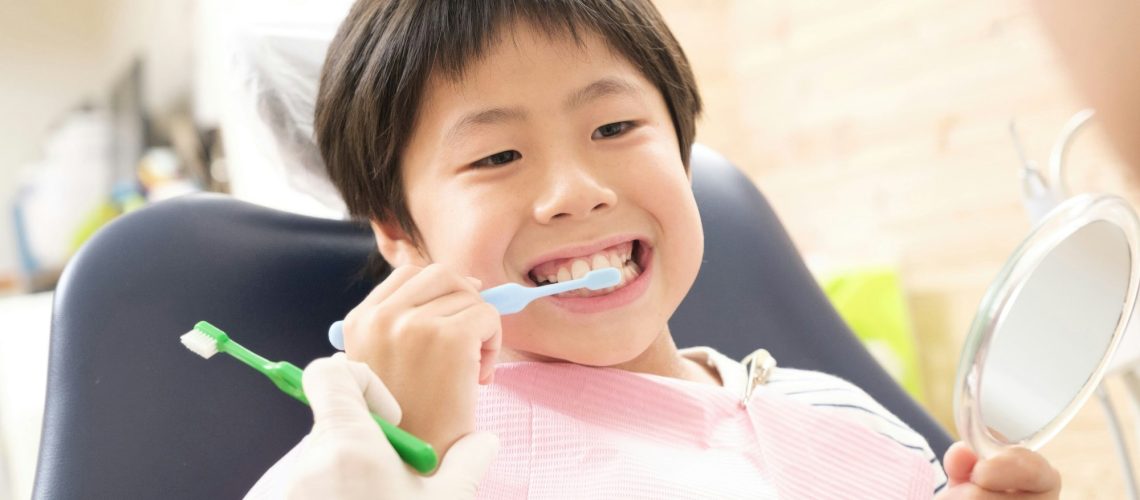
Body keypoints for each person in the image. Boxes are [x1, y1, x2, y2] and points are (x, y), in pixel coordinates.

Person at [247, 0, 1062, 498]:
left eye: (614, 128)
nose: (576, 190)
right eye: (497, 156)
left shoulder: (848, 422)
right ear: (399, 235)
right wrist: (411, 462)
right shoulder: (368, 472)